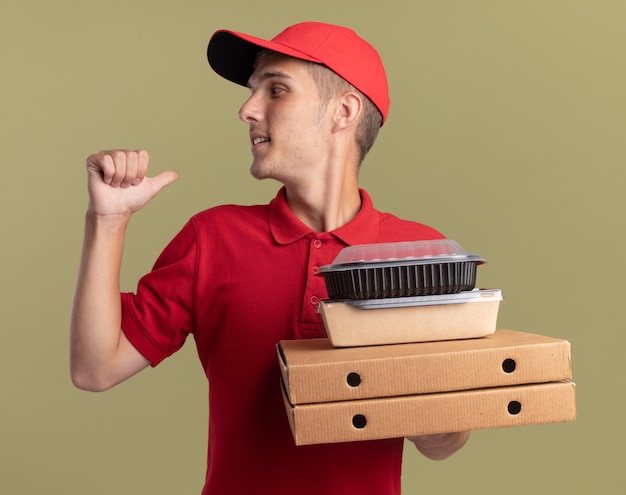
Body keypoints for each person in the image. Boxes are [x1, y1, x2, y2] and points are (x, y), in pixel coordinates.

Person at [70, 21, 470, 494]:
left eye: (276, 89)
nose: (247, 109)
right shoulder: (212, 239)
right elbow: (95, 369)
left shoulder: (422, 253)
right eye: (253, 91)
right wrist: (107, 221)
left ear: (343, 111)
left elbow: (444, 441)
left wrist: (425, 408)